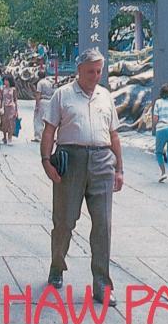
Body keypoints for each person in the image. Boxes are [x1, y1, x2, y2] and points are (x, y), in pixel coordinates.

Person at [39, 48, 123, 306]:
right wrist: (45, 162)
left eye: (99, 71)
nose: (95, 76)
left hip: (101, 161)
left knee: (103, 224)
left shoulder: (105, 96)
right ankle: (57, 266)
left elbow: (114, 135)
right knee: (64, 221)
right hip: (70, 161)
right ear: (79, 71)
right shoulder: (62, 95)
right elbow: (49, 131)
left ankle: (102, 284)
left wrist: (119, 168)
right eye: (90, 71)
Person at [0, 74, 19, 145]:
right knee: (4, 123)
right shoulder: (1, 88)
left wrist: (17, 110)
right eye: (4, 80)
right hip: (4, 107)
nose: (5, 82)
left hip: (12, 107)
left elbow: (15, 99)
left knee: (11, 123)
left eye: (7, 80)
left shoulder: (13, 89)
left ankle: (10, 138)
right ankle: (4, 136)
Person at [31, 68, 55, 143]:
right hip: (51, 101)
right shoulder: (51, 82)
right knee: (49, 120)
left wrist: (37, 105)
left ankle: (38, 137)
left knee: (38, 120)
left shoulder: (40, 83)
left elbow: (38, 94)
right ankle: (52, 136)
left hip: (43, 101)